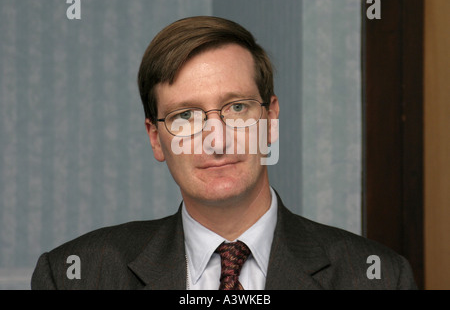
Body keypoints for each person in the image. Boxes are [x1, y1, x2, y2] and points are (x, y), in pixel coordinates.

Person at [31, 16, 417, 290]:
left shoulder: (378, 278)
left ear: (270, 119)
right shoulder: (75, 277)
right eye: (185, 115)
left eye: (236, 108)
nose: (217, 139)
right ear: (155, 137)